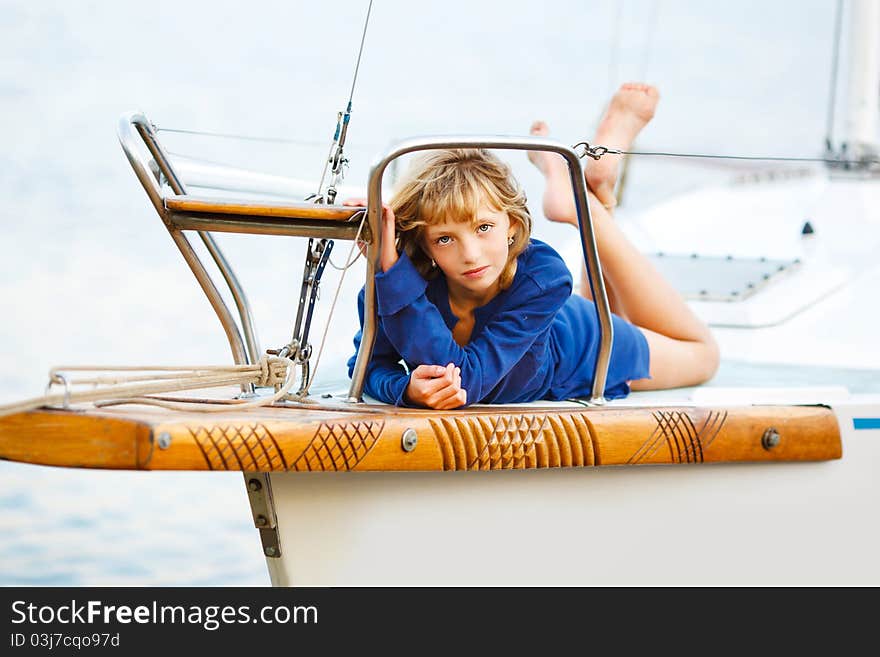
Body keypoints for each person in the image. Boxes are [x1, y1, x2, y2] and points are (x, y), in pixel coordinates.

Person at [345, 82, 719, 409]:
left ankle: (583, 204)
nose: (471, 254)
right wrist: (405, 388)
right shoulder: (395, 284)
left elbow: (462, 383)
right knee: (607, 300)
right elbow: (367, 366)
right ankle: (593, 190)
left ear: (512, 224)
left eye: (484, 227)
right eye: (445, 238)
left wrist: (392, 275)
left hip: (583, 347)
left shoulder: (544, 274)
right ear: (423, 246)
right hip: (546, 325)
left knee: (703, 355)